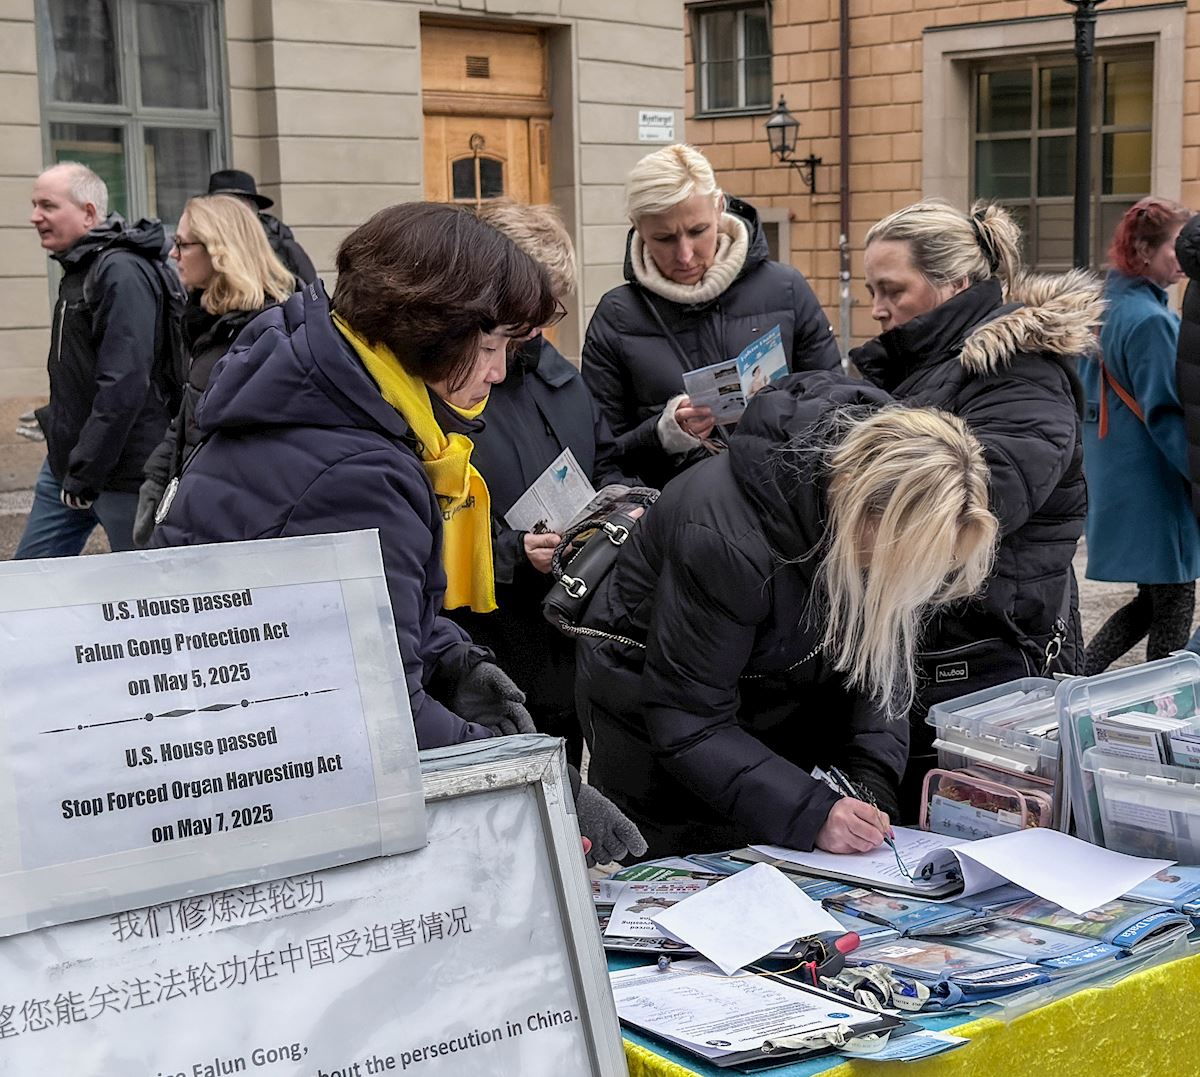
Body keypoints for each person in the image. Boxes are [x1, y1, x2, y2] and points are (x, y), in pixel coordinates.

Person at [152, 202, 646, 863]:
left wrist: (453, 658)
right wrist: (538, 782)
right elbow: (378, 711)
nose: (499, 372)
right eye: (492, 347)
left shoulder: (329, 400)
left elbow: (362, 612)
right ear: (433, 332)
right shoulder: (361, 470)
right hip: (273, 792)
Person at [575, 371, 999, 859]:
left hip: (763, 703)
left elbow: (880, 674)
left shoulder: (881, 522)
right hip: (657, 729)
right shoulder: (725, 540)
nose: (895, 577)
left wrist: (865, 787)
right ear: (860, 506)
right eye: (896, 561)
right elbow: (689, 718)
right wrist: (810, 812)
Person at [851, 200, 1096, 815]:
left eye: (892, 290)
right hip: (946, 644)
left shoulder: (1019, 372)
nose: (877, 308)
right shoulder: (918, 366)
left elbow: (983, 498)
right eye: (872, 290)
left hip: (991, 656)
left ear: (955, 284)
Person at [445, 201, 636, 768]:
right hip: (490, 645)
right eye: (526, 310)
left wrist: (620, 508)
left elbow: (605, 460)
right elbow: (434, 524)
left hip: (569, 636)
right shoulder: (454, 386)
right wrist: (513, 551)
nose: (536, 326)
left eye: (548, 308)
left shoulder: (560, 378)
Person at [582, 143, 841, 489]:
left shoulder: (785, 289)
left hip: (783, 503)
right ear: (637, 228)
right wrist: (663, 434)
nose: (685, 255)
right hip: (675, 513)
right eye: (664, 238)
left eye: (698, 231)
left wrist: (778, 414)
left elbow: (835, 408)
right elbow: (602, 457)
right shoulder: (617, 316)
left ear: (719, 207)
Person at [16, 162, 175, 557]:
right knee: (30, 579)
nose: (35, 216)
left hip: (124, 472)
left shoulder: (119, 271)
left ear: (88, 213)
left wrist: (86, 470)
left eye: (48, 206)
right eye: (35, 205)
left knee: (146, 585)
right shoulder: (81, 266)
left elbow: (124, 383)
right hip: (69, 465)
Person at [133, 194, 296, 546]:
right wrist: (157, 477)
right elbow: (189, 413)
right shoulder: (206, 320)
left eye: (182, 244)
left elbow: (255, 451)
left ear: (219, 250)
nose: (172, 254)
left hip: (229, 525)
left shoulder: (264, 331)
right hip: (197, 506)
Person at [1080, 197, 1199, 673]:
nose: (1184, 258)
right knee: (1175, 598)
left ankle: (1074, 674)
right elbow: (1168, 414)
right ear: (1145, 251)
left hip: (1121, 469)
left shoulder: (1105, 308)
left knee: (1154, 600)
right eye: (1175, 247)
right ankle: (1167, 704)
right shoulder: (1151, 320)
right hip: (1157, 479)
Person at [206, 169, 315, 285]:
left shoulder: (283, 247)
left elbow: (312, 291)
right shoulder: (199, 246)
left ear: (251, 208)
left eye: (235, 206)